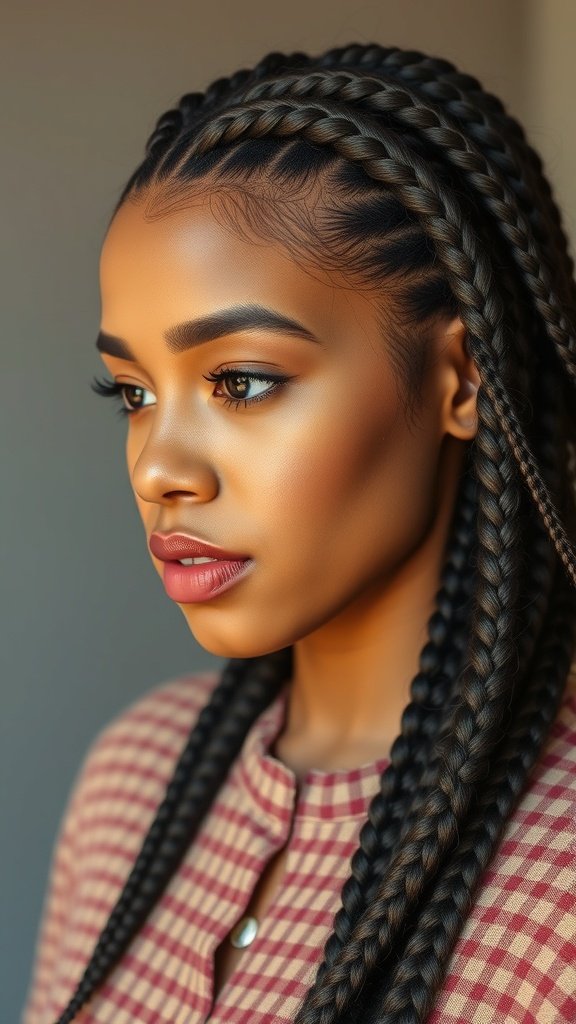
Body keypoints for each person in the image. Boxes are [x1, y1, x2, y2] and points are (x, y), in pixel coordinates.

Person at [22, 42, 576, 1024]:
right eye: (134, 393)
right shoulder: (132, 781)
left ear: (461, 377)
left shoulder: (559, 888)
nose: (157, 467)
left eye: (240, 382)